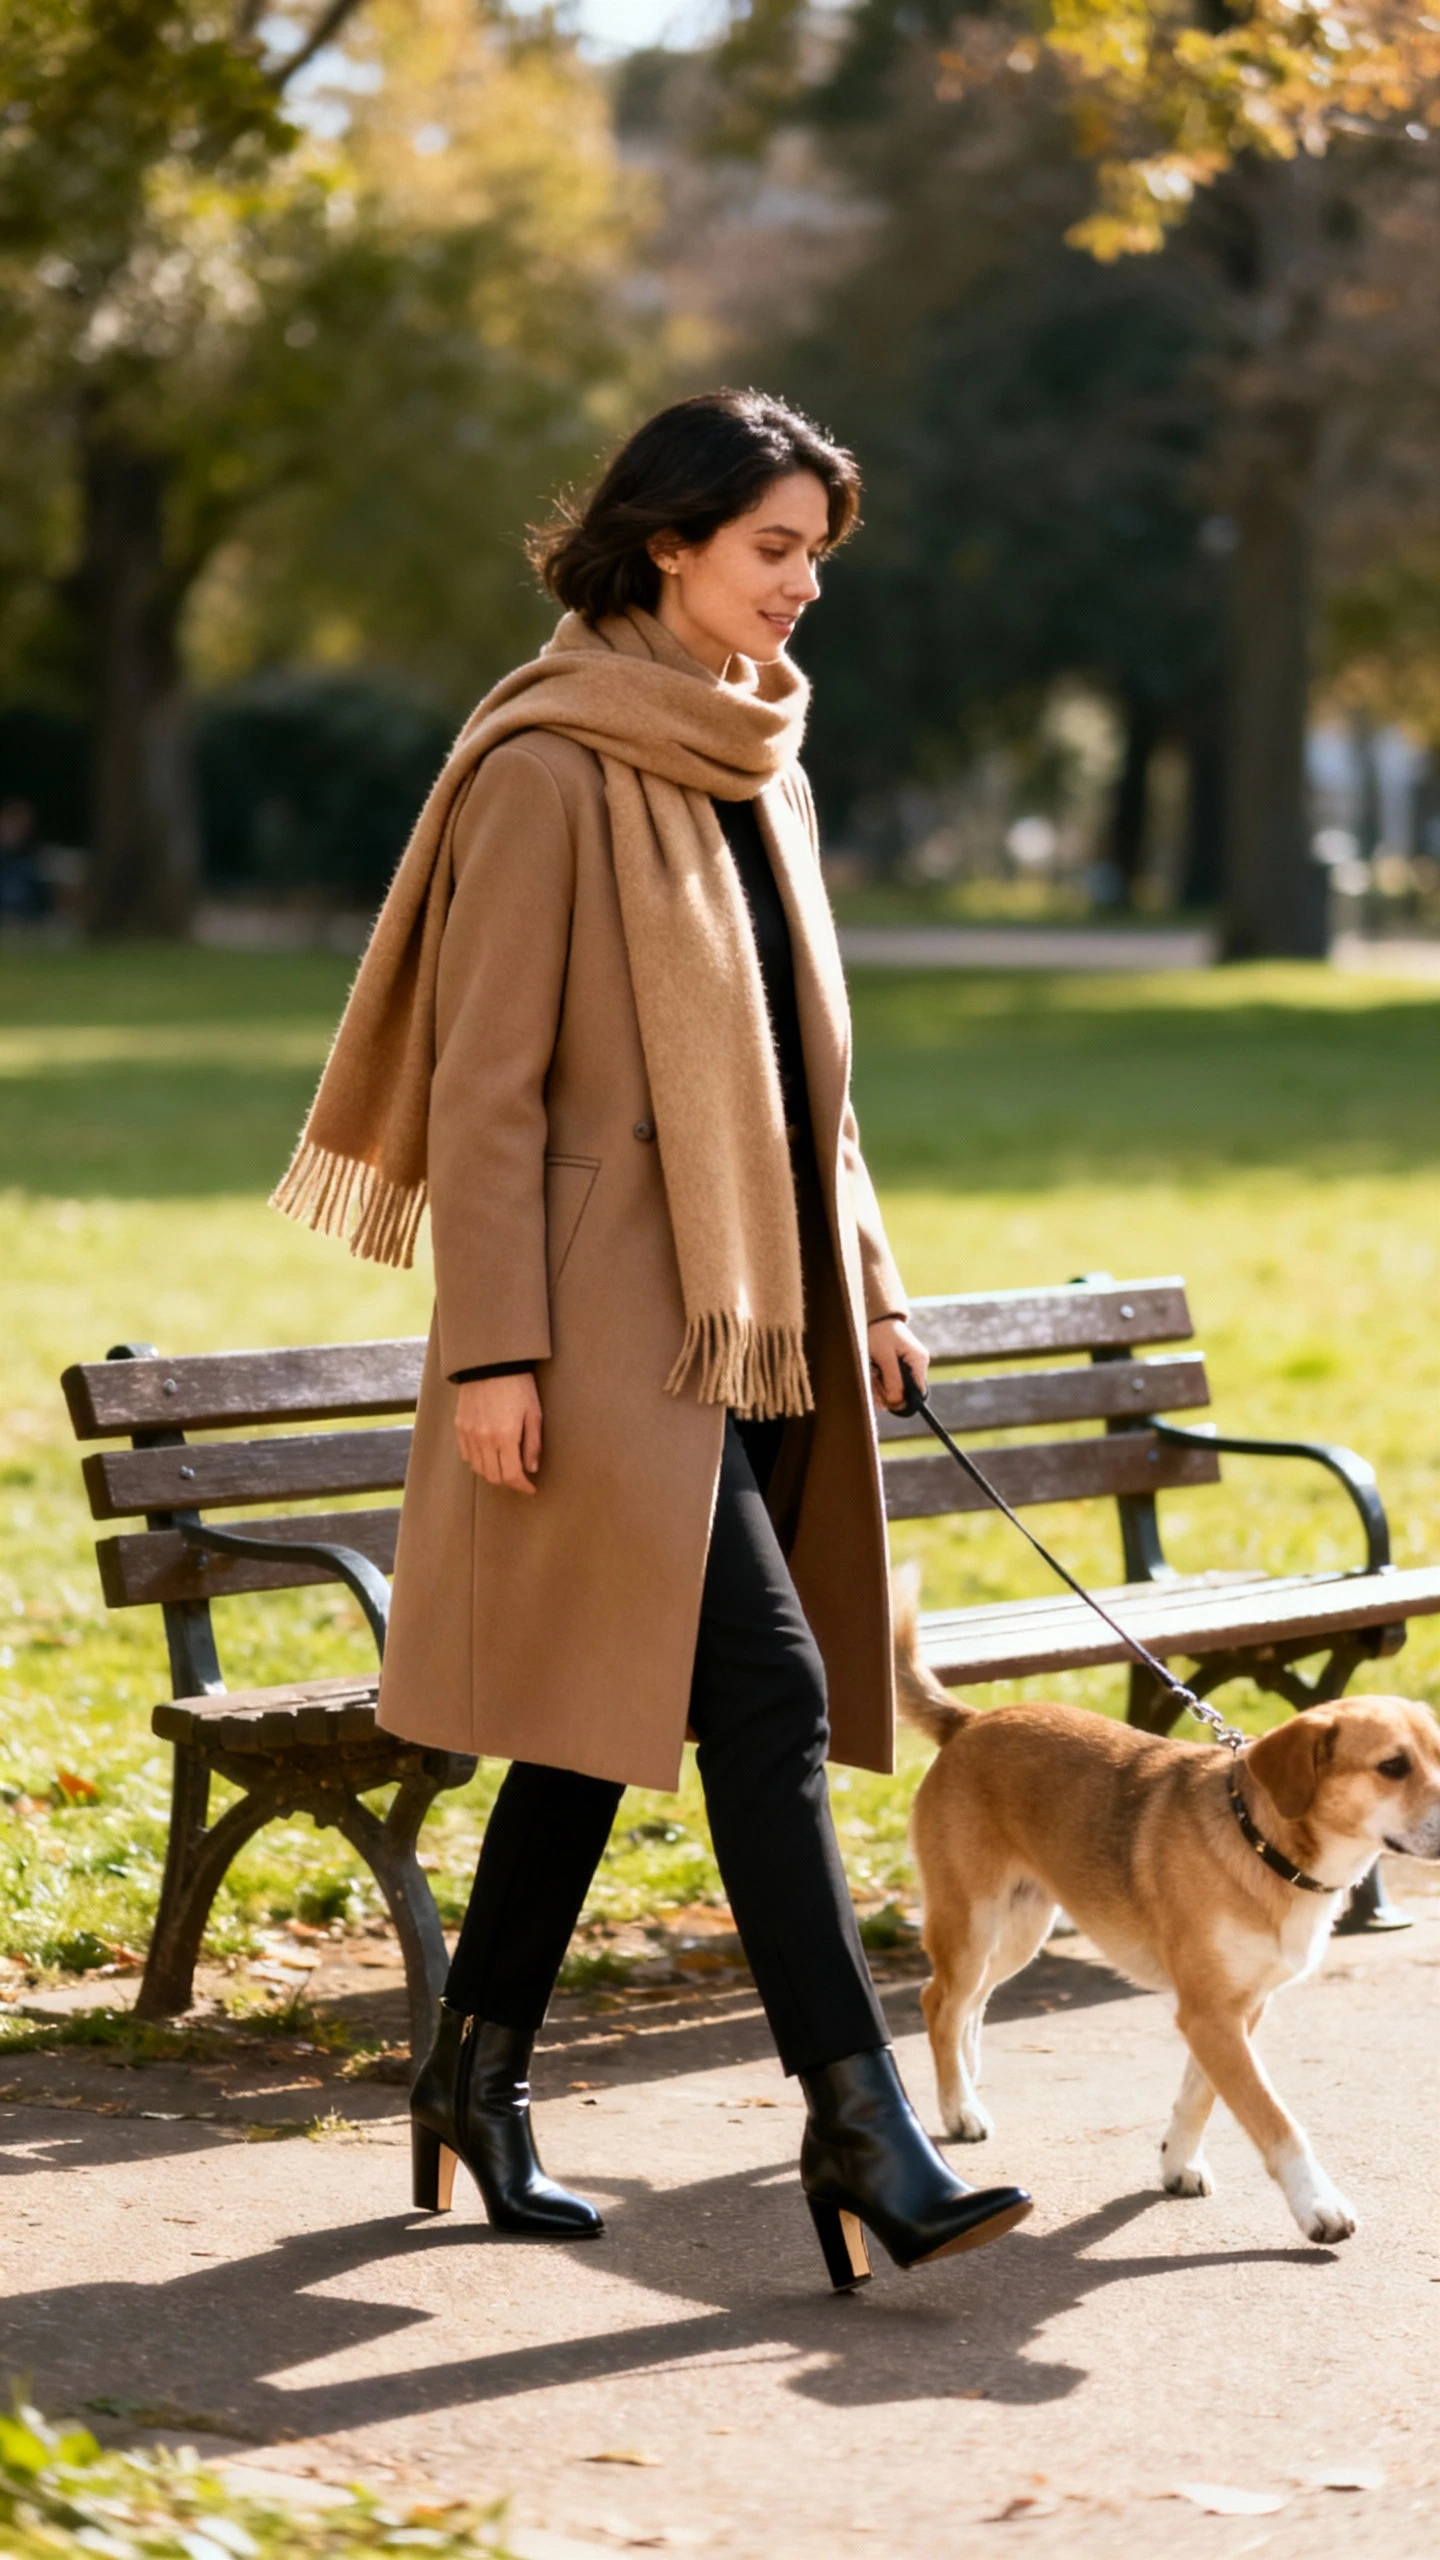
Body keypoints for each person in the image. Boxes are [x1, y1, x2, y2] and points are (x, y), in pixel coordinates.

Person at [273, 389, 1032, 2292]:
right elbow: (492, 1095)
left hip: (762, 1311)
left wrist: (871, 1280)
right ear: (669, 541)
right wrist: (498, 1357)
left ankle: (471, 2070)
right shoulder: (546, 764)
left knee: (601, 1731)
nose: (802, 593)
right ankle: (867, 2129)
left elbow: (809, 1084)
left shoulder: (756, 755)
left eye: (817, 560)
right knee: (762, 1699)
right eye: (774, 550)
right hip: (612, 1336)